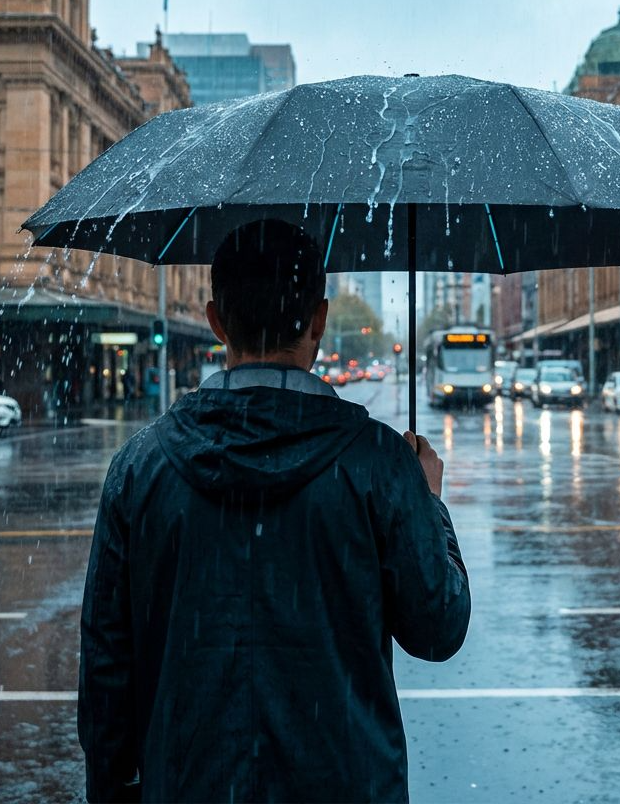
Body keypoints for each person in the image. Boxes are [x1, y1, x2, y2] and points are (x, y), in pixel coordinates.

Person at [78, 218, 471, 804]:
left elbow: (106, 672)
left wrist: (116, 787)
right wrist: (429, 504)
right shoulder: (379, 465)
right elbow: (438, 627)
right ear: (319, 319)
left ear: (214, 320)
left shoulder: (139, 468)